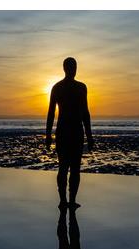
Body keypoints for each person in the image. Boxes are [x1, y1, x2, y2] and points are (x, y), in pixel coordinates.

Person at [46, 57, 94, 209]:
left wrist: (89, 135)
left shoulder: (78, 87)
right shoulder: (61, 87)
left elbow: (85, 113)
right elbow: (51, 113)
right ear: (65, 68)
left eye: (75, 66)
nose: (74, 69)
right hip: (67, 131)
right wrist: (48, 136)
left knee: (72, 168)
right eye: (72, 66)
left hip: (72, 131)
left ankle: (69, 201)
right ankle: (65, 201)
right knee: (66, 167)